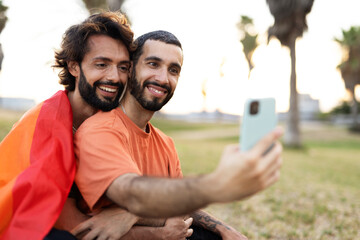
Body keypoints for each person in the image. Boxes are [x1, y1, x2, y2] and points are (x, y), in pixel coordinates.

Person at [74, 30, 283, 239]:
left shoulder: (165, 143)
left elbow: (179, 202)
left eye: (173, 70)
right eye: (153, 64)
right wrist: (217, 184)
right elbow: (131, 194)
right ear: (129, 70)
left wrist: (225, 230)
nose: (163, 79)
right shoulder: (99, 130)